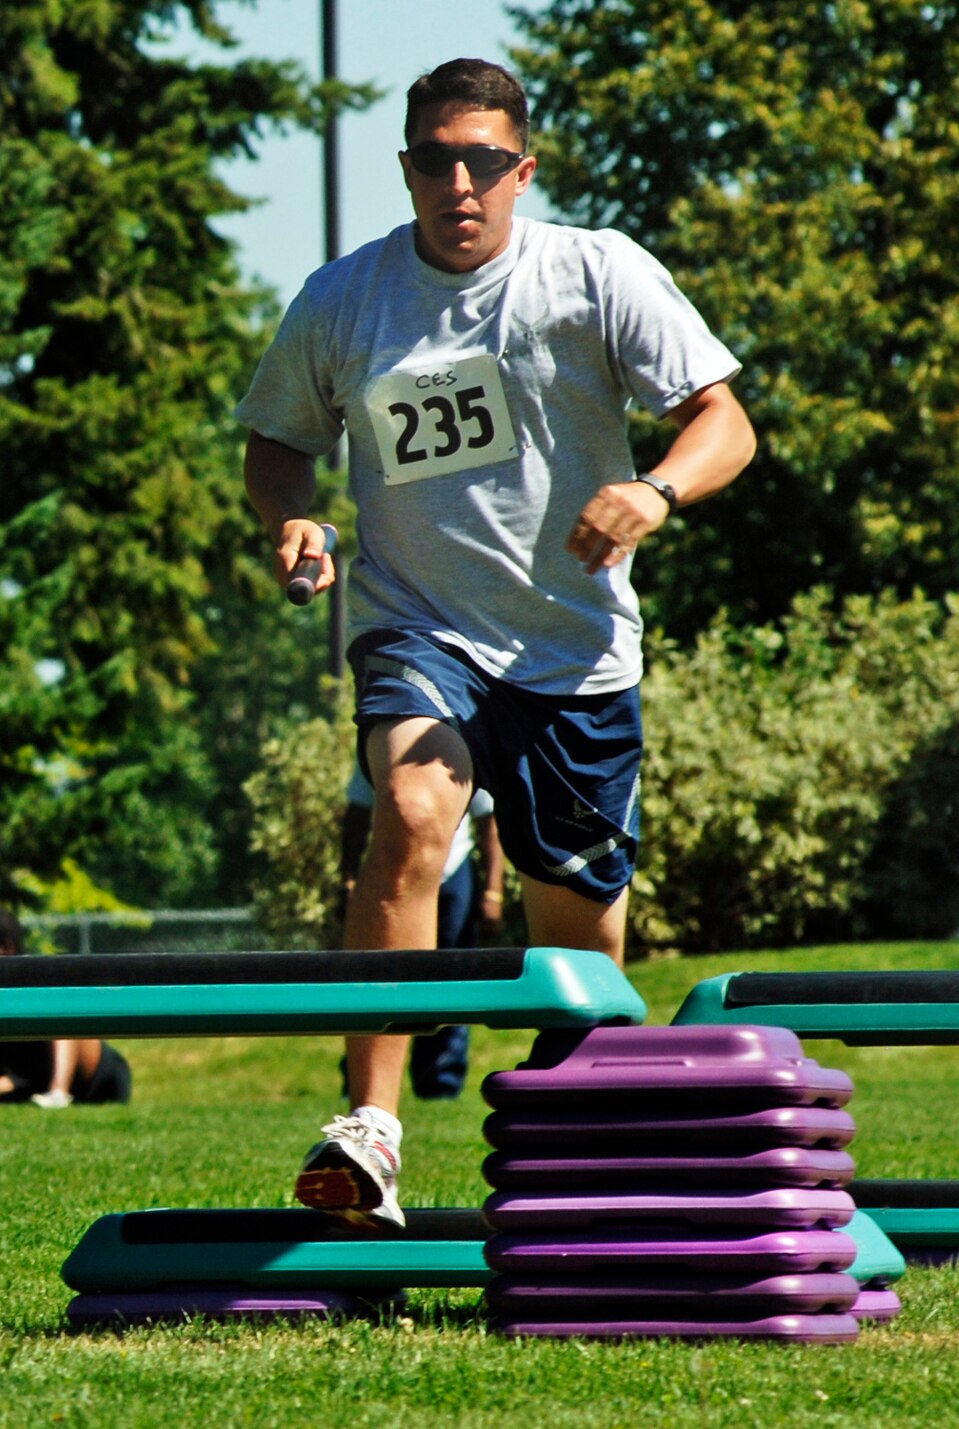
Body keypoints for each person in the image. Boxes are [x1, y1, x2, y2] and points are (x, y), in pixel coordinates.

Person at [238, 58, 755, 1227]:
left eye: (482, 161)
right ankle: (366, 1131)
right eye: (434, 160)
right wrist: (292, 517)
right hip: (415, 623)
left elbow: (723, 420)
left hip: (573, 655)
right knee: (413, 812)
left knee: (573, 942)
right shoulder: (344, 298)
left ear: (522, 170)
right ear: (407, 168)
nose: (457, 184)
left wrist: (656, 493)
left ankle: (583, 1148)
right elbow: (276, 440)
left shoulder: (594, 272)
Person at [341, 775, 505, 1100]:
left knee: (448, 982)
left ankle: (440, 1083)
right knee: (377, 981)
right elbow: (356, 816)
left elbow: (488, 822)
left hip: (452, 875)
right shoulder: (380, 740)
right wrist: (347, 879)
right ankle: (364, 1085)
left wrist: (493, 891)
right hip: (395, 878)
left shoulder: (463, 743)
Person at [0, 906, 132, 1108]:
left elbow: (42, 1035)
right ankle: (0, 1114)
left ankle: (58, 1093)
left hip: (94, 1079)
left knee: (60, 1010)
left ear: (6, 948)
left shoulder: (34, 978)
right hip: (31, 1083)